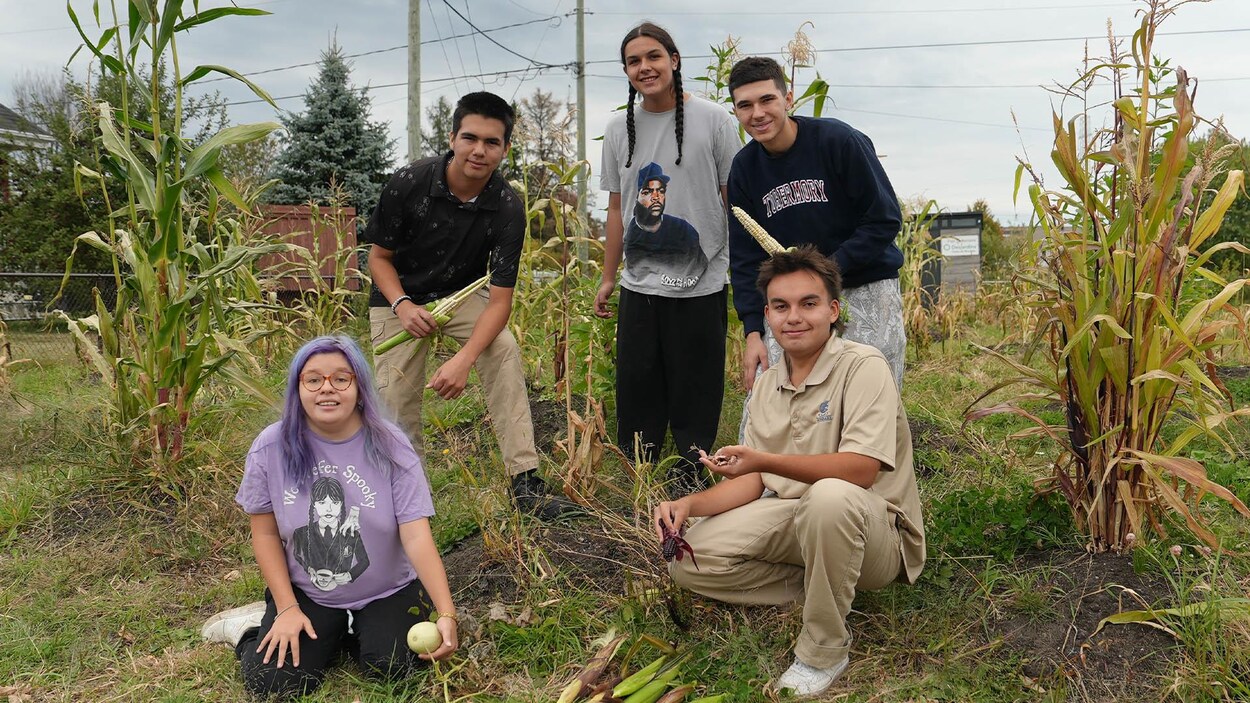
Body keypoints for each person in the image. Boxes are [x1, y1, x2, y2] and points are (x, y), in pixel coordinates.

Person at [653, 247, 924, 697]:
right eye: (781, 306)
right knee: (690, 559)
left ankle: (824, 649)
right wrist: (689, 504)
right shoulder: (768, 387)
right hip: (801, 519)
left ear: (834, 311)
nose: (793, 317)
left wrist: (765, 460)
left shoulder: (864, 367)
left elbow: (859, 471)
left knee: (830, 498)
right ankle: (827, 583)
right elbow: (755, 482)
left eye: (809, 303)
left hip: (875, 530)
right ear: (768, 315)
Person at [201, 336, 458, 699]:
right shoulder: (271, 447)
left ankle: (352, 633)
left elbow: (416, 536)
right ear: (298, 387)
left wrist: (446, 612)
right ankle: (248, 631)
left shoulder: (390, 444)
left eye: (341, 378)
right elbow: (266, 535)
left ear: (359, 388)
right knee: (272, 685)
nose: (327, 389)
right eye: (313, 379)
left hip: (388, 590)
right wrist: (288, 607)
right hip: (308, 594)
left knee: (393, 667)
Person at [365, 91, 572, 519]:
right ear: (452, 137)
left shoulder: (508, 207)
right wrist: (403, 305)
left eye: (492, 142)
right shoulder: (409, 183)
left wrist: (464, 359)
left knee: (504, 350)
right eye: (470, 138)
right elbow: (378, 258)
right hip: (398, 296)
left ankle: (525, 482)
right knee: (396, 396)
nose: (479, 150)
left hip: (462, 297)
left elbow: (499, 302)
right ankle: (407, 496)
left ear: (505, 148)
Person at [594, 22, 740, 496]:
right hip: (641, 283)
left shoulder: (715, 120)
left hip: (702, 279)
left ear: (674, 60)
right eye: (634, 61)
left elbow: (731, 199)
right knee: (638, 380)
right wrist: (608, 276)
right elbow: (617, 209)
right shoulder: (618, 129)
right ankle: (642, 472)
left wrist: (743, 267)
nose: (645, 67)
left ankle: (691, 469)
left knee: (696, 380)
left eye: (653, 56)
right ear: (626, 71)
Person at [726, 56, 907, 395]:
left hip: (862, 285)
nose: (758, 113)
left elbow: (883, 219)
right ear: (735, 111)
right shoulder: (744, 169)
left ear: (788, 99)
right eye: (745, 105)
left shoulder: (838, 142)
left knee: (868, 396)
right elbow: (745, 257)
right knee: (781, 400)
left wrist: (825, 270)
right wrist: (754, 330)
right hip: (794, 300)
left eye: (767, 100)